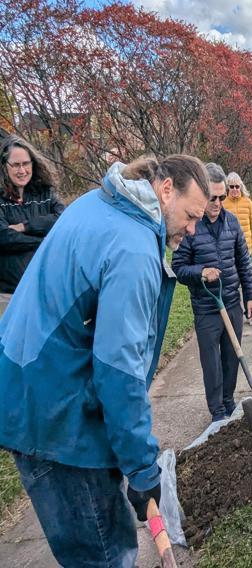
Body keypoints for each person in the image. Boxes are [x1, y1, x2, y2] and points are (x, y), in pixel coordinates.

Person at [0, 155, 209, 567]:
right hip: (55, 417)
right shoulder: (132, 249)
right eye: (190, 215)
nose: (193, 229)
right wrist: (143, 471)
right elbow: (119, 374)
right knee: (106, 555)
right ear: (165, 189)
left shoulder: (97, 202)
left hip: (34, 390)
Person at [172, 163, 252, 422]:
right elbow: (178, 268)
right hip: (206, 306)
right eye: (213, 197)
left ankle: (229, 403)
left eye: (222, 197)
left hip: (231, 301)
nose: (218, 202)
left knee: (232, 357)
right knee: (212, 363)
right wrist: (201, 272)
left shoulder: (231, 223)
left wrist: (251, 296)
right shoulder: (190, 226)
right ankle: (218, 413)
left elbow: (243, 261)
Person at [0, 135, 65, 312]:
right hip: (8, 294)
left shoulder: (45, 193)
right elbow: (4, 237)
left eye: (26, 164)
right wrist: (43, 241)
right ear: (5, 166)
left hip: (46, 290)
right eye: (16, 165)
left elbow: (63, 220)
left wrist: (25, 227)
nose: (22, 170)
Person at [222, 171, 252, 326]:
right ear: (227, 188)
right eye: (232, 187)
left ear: (241, 187)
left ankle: (250, 315)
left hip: (245, 251)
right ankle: (230, 316)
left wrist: (249, 244)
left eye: (237, 186)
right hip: (228, 252)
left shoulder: (247, 202)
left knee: (247, 283)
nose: (235, 189)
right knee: (231, 284)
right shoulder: (223, 203)